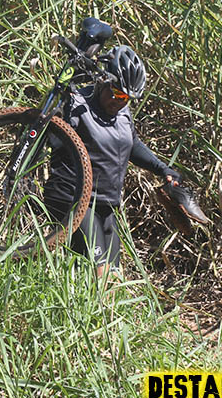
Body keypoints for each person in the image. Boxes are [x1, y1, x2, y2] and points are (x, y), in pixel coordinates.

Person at [45, 45, 180, 277]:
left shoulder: (123, 113)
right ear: (103, 81)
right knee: (99, 271)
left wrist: (162, 169)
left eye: (126, 98)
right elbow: (51, 137)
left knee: (114, 277)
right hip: (76, 199)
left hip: (107, 204)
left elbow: (132, 145)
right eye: (116, 93)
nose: (119, 101)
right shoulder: (77, 105)